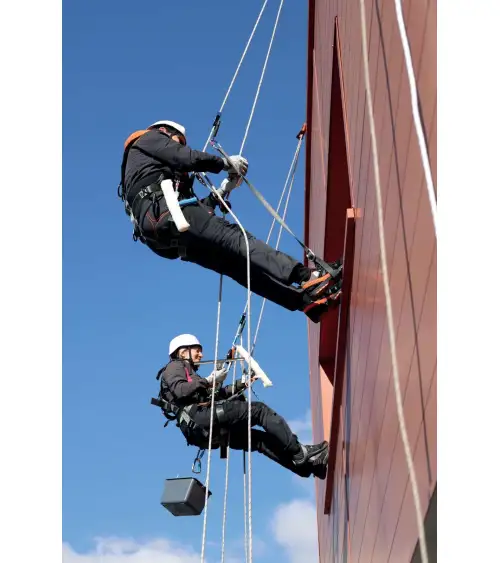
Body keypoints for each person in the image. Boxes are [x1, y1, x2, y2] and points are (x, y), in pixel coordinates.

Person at [119, 120, 343, 323]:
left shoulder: (146, 171)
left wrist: (222, 189)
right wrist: (224, 163)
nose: (179, 144)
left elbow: (197, 210)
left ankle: (303, 301)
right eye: (179, 140)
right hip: (169, 214)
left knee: (238, 267)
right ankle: (309, 276)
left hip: (165, 230)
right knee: (238, 240)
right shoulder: (150, 138)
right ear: (165, 131)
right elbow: (184, 157)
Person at [153, 334, 330, 480]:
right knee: (259, 410)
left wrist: (240, 384)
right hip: (199, 419)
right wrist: (208, 381)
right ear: (183, 352)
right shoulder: (174, 367)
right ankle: (300, 453)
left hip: (201, 428)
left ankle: (308, 467)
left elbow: (215, 396)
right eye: (197, 351)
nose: (201, 355)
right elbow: (181, 390)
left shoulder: (190, 374)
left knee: (259, 441)